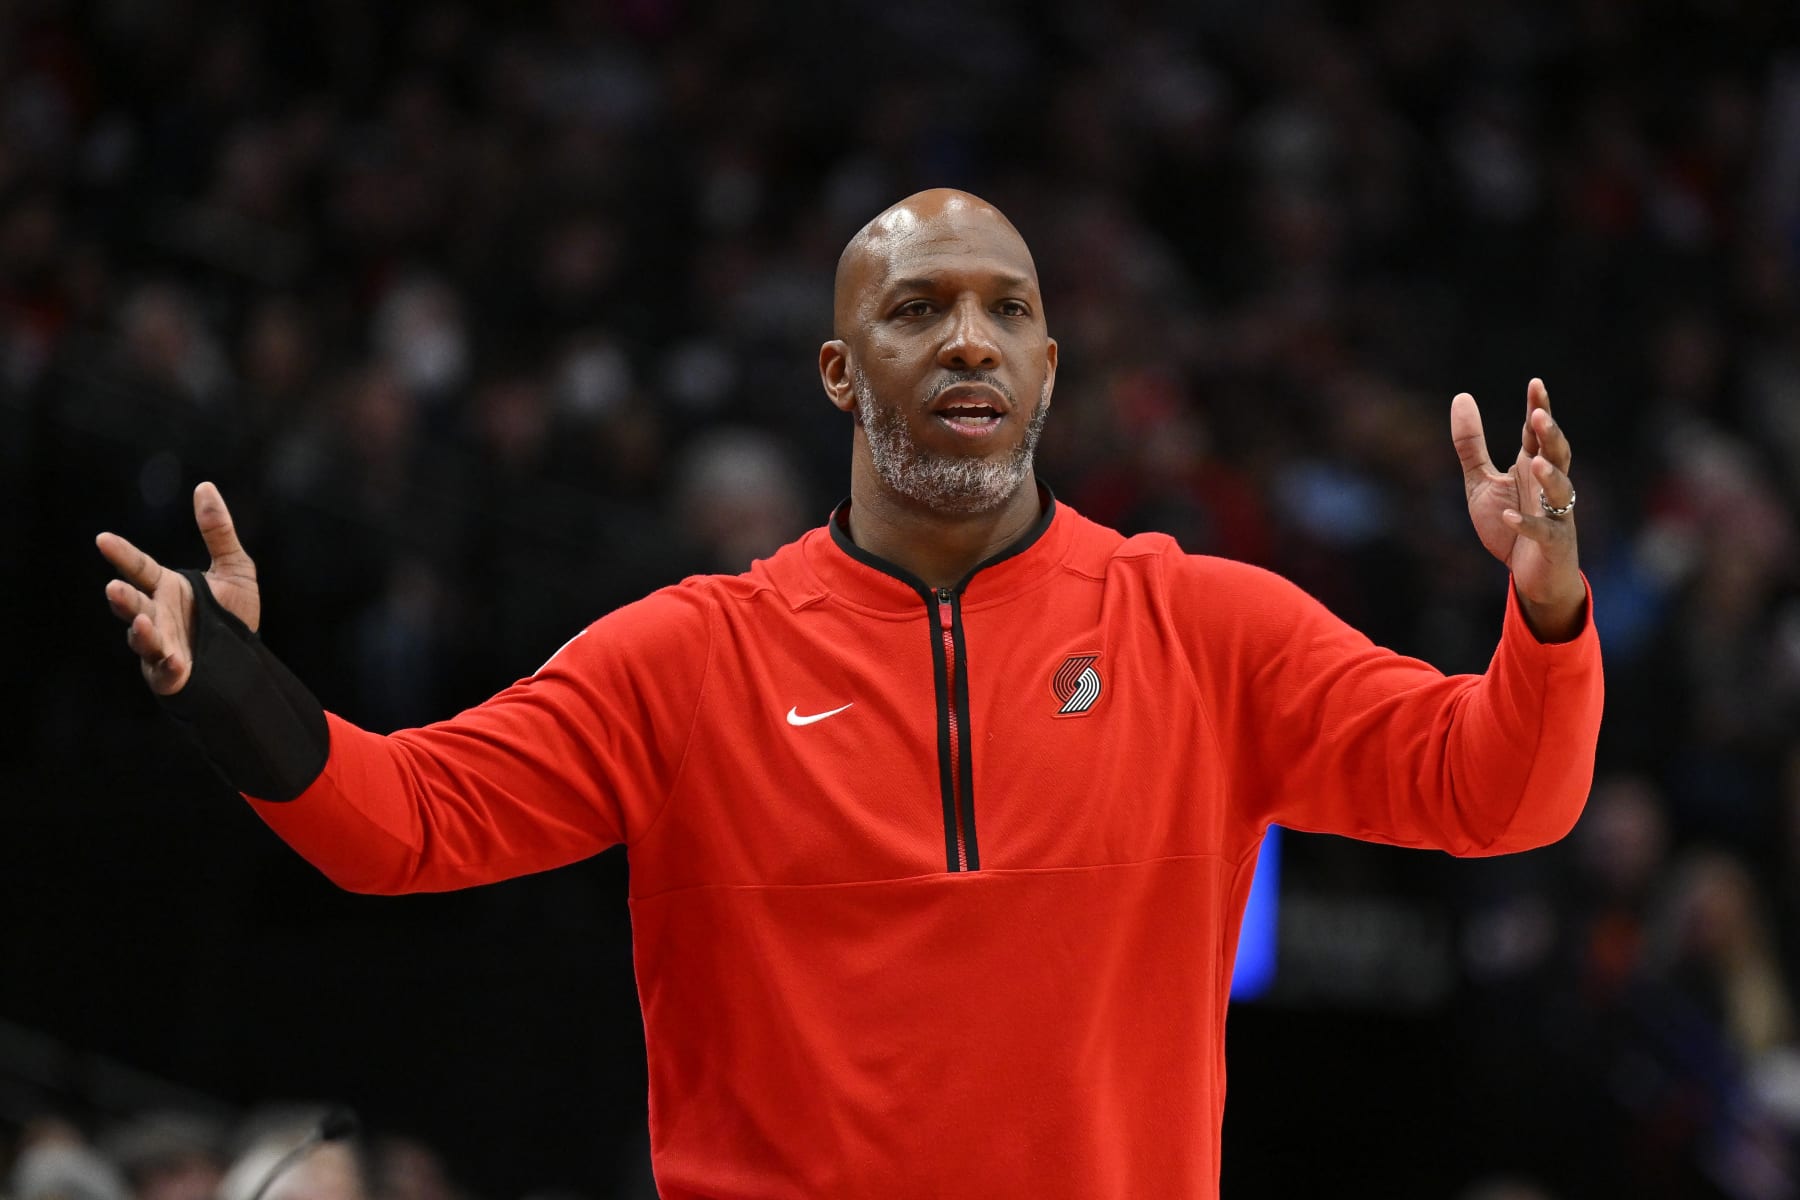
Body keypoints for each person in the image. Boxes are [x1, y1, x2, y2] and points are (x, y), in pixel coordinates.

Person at [97, 189, 1603, 1198]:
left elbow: (1501, 793)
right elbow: (403, 824)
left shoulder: (1205, 627)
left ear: (1052, 367)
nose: (969, 337)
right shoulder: (690, 655)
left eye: (1009, 311)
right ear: (836, 370)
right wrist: (230, 686)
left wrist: (1544, 608)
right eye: (919, 309)